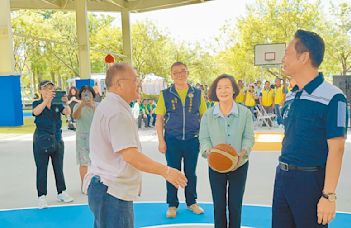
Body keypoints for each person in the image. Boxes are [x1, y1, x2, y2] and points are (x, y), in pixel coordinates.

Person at [83, 63, 187, 228]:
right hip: (111, 192)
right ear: (119, 84)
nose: (138, 84)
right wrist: (165, 171)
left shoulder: (110, 106)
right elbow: (130, 155)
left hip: (106, 189)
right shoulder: (117, 112)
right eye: (135, 79)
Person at [272, 30, 348, 228]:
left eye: (287, 53)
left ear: (304, 57)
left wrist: (328, 195)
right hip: (282, 176)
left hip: (310, 182)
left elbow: (337, 148)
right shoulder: (291, 95)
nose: (283, 58)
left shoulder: (333, 97)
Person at [199, 74, 254, 228]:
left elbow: (248, 137)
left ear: (234, 90)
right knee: (219, 206)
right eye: (219, 87)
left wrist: (242, 153)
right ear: (215, 91)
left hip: (239, 165)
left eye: (227, 87)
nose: (223, 91)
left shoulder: (245, 113)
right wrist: (209, 151)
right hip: (216, 166)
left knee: (235, 205)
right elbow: (204, 139)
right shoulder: (208, 115)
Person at [155, 61, 207, 218]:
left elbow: (204, 118)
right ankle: (172, 204)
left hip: (192, 139)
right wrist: (161, 141)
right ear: (171, 75)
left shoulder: (197, 93)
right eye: (175, 72)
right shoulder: (165, 94)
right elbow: (159, 119)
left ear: (188, 73)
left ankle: (192, 202)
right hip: (172, 140)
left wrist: (205, 140)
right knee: (172, 171)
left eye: (182, 71)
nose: (179, 75)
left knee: (190, 172)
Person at [32, 80, 74, 209]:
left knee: (58, 168)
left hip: (57, 140)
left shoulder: (57, 104)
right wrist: (46, 101)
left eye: (51, 88)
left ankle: (61, 192)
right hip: (41, 141)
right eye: (45, 88)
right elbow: (36, 112)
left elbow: (67, 112)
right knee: (42, 169)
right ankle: (41, 196)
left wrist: (66, 103)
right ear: (40, 91)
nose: (49, 90)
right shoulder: (37, 103)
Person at [72, 85, 96, 191]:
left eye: (88, 93)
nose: (86, 95)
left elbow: (101, 118)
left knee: (98, 162)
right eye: (84, 93)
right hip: (82, 137)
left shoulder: (98, 106)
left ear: (92, 94)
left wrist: (92, 105)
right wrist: (82, 104)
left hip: (96, 137)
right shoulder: (77, 106)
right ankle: (84, 185)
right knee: (83, 162)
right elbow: (75, 117)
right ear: (80, 95)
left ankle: (97, 185)